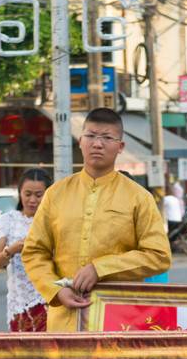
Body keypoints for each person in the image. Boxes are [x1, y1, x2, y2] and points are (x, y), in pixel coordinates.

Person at [21, 107, 170, 330]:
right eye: (90, 136)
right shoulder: (56, 194)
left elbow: (159, 256)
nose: (97, 144)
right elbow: (34, 252)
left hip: (120, 321)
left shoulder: (139, 197)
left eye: (107, 138)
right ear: (80, 141)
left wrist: (101, 268)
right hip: (65, 321)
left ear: (120, 147)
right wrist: (56, 290)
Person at [0, 168, 51, 331]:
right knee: (23, 355)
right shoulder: (8, 220)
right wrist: (11, 250)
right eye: (27, 194)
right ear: (19, 193)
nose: (32, 200)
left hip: (52, 301)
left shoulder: (54, 221)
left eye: (38, 195)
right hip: (21, 305)